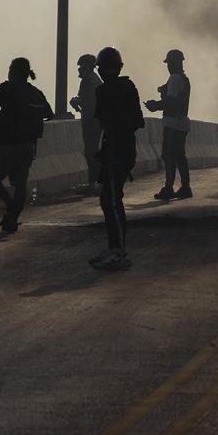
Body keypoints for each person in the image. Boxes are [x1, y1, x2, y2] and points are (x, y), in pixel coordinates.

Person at [0, 58, 54, 233]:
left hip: (6, 144)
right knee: (20, 183)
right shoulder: (36, 93)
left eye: (10, 68)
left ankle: (10, 205)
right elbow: (49, 114)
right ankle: (12, 218)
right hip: (27, 146)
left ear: (14, 71)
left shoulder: (5, 88)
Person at [91, 46, 144, 270]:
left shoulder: (103, 92)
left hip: (115, 151)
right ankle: (115, 247)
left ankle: (119, 251)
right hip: (125, 150)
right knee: (109, 200)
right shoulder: (129, 87)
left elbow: (104, 125)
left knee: (112, 202)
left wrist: (108, 153)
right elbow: (136, 121)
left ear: (100, 69)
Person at [148, 49, 193, 201]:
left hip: (173, 124)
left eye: (169, 63)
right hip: (181, 123)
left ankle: (168, 188)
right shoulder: (183, 79)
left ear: (173, 63)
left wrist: (156, 105)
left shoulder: (174, 78)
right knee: (179, 156)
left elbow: (172, 101)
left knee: (169, 156)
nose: (168, 66)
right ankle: (185, 188)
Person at [69, 53, 103, 188]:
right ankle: (96, 181)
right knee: (94, 150)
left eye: (80, 67)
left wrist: (75, 102)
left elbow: (86, 101)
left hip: (90, 121)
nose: (79, 70)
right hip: (97, 120)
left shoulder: (87, 81)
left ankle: (93, 182)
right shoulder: (96, 79)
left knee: (90, 152)